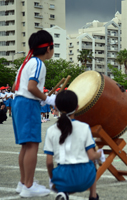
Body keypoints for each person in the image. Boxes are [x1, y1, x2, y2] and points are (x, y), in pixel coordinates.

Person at [12, 30, 56, 197]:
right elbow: (31, 87)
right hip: (28, 104)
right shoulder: (38, 63)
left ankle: (23, 182)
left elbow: (21, 86)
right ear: (48, 49)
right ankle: (29, 186)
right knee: (32, 145)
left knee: (26, 145)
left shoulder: (26, 63)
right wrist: (48, 99)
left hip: (20, 102)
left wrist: (42, 98)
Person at [44, 90, 101, 200]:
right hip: (85, 178)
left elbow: (49, 162)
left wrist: (53, 179)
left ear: (56, 107)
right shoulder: (84, 127)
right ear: (77, 107)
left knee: (63, 179)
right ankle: (93, 195)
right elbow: (92, 156)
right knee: (93, 162)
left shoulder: (51, 130)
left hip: (62, 177)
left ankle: (63, 192)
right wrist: (99, 154)